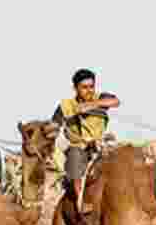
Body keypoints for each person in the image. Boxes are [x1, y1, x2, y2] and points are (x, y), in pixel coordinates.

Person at [50, 69, 120, 216]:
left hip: (101, 144)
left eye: (91, 87)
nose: (89, 90)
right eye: (84, 87)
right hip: (79, 146)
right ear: (75, 88)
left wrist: (93, 104)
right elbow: (53, 127)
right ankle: (80, 203)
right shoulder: (65, 106)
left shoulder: (100, 98)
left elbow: (115, 101)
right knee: (75, 159)